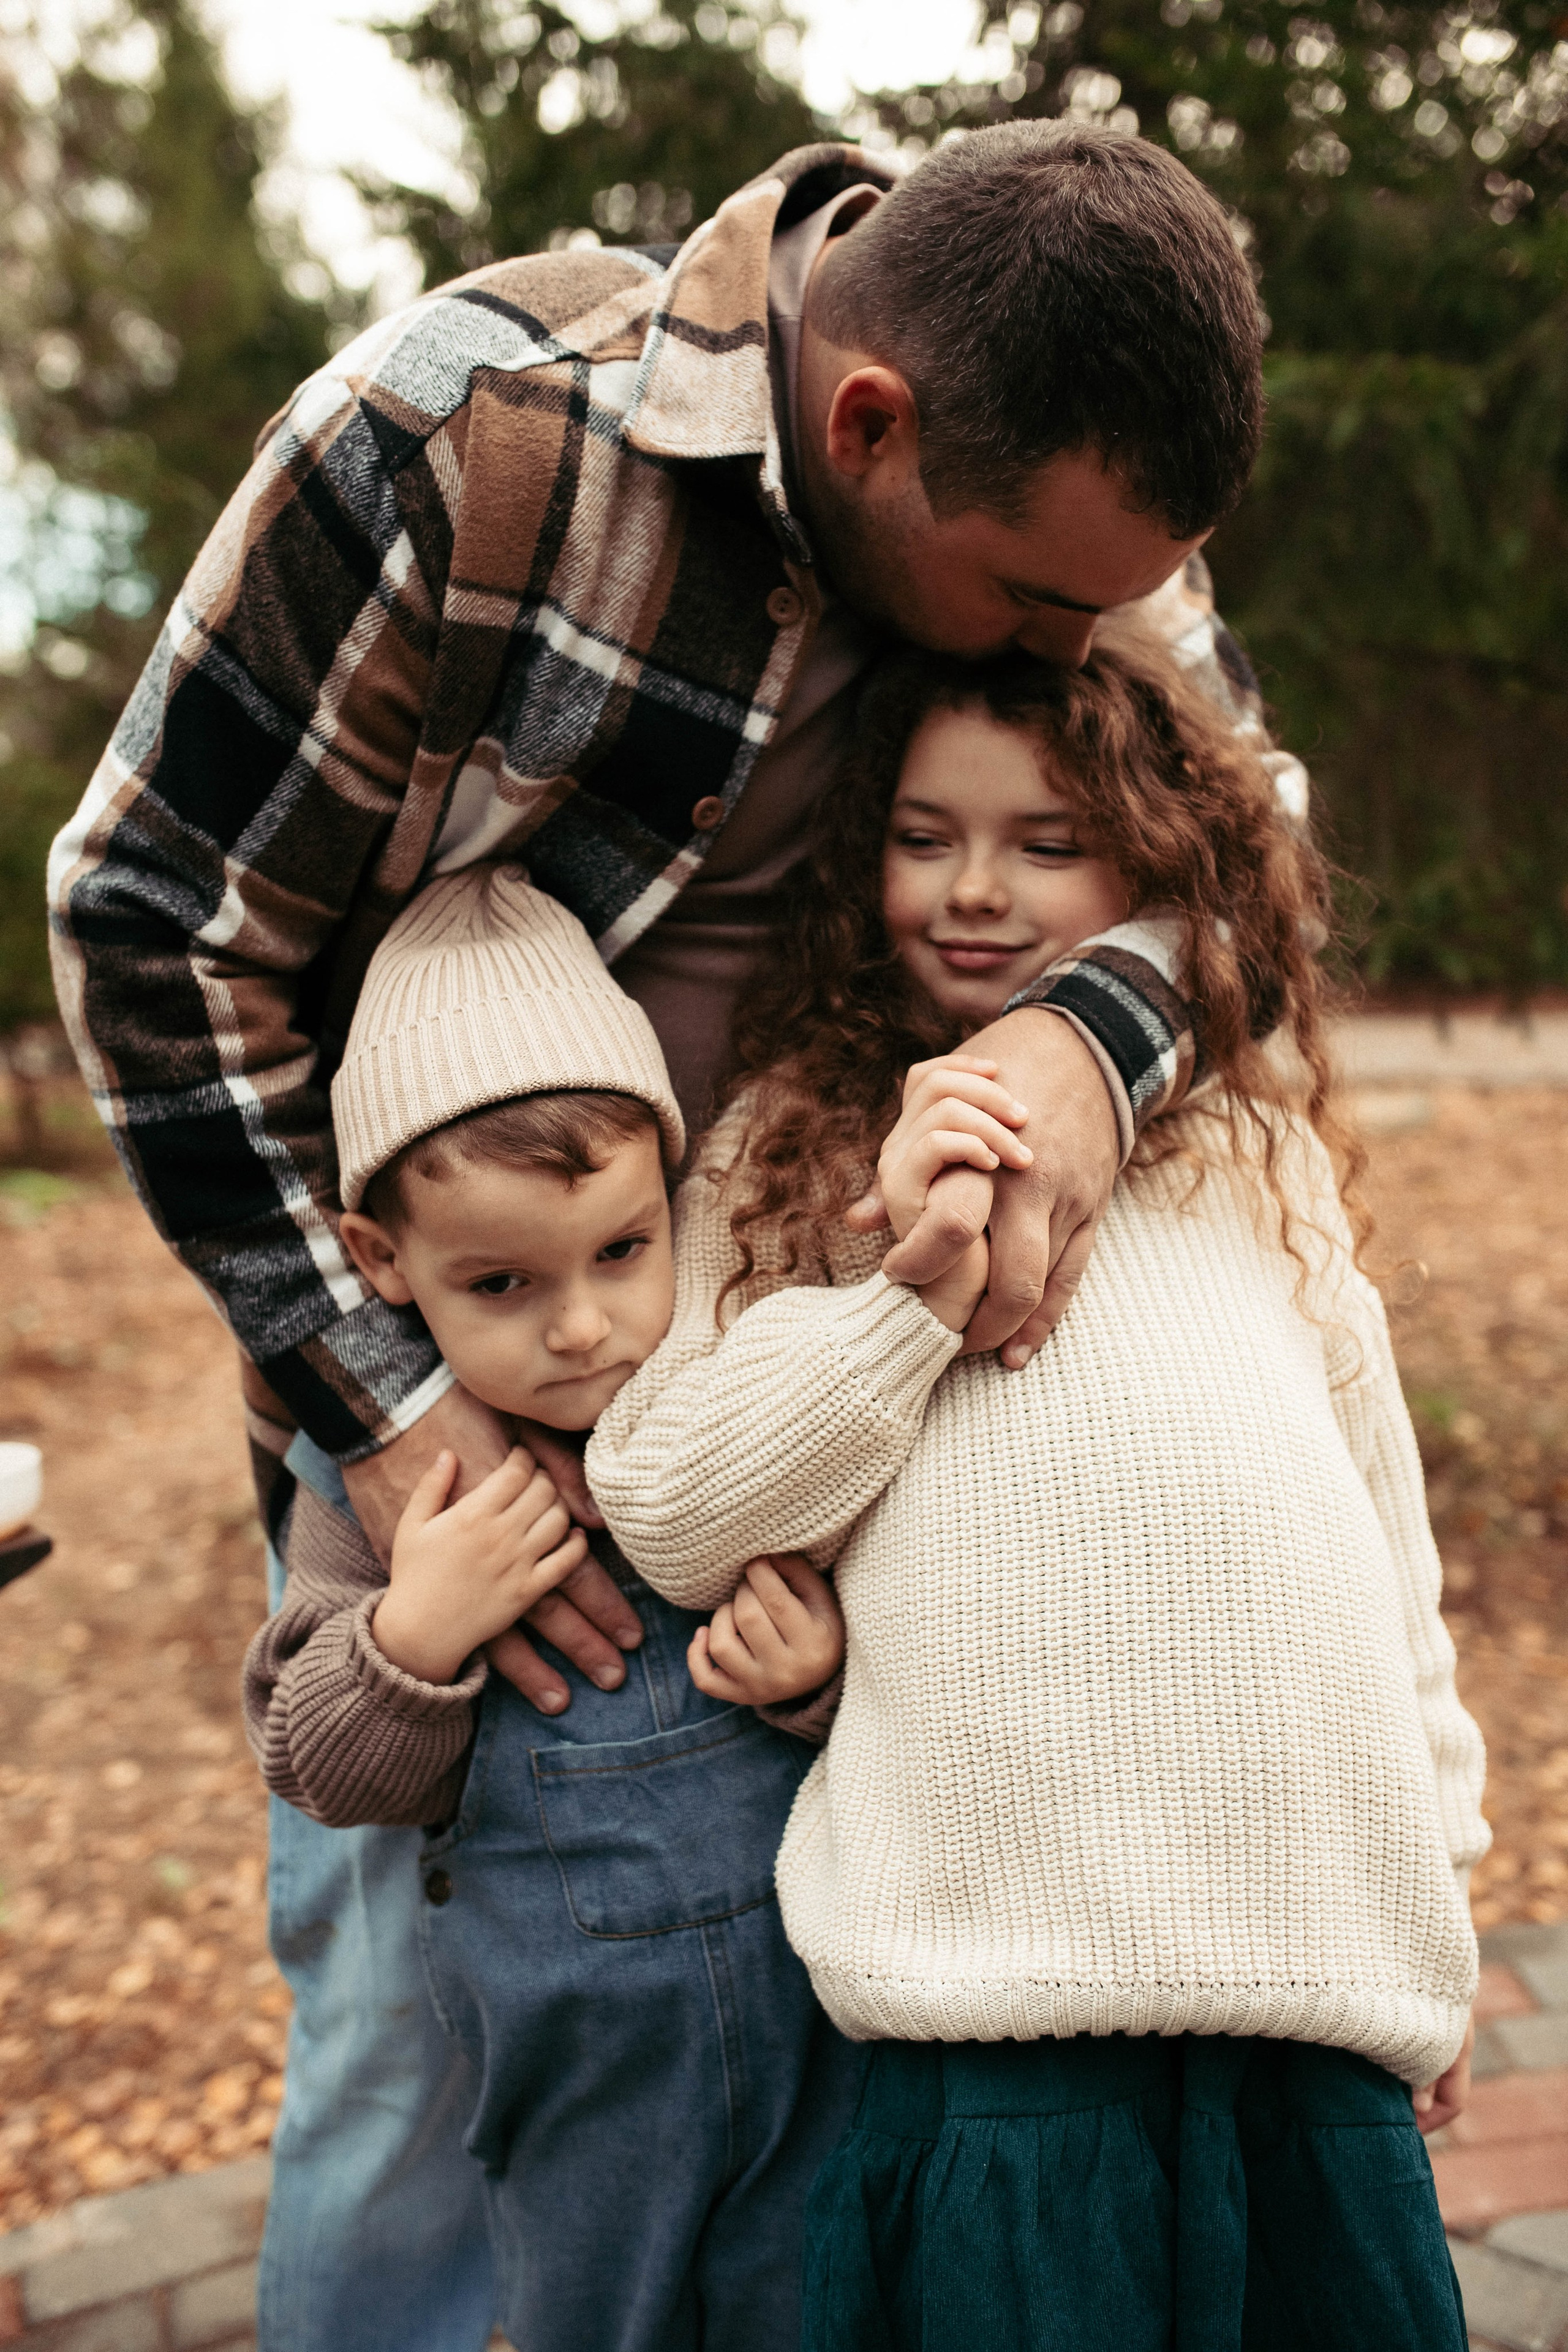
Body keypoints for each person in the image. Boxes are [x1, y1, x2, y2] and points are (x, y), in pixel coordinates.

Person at [48, 122, 1291, 2350]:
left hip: (816, 1411)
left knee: (778, 2032)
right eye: (1040, 609)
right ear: (869, 425)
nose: (1085, 648)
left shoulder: (1064, 479)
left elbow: (1246, 840)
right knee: (415, 2057)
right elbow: (154, 924)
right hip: (458, 1406)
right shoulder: (465, 444)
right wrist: (402, 1413)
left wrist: (1090, 1047)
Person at [587, 623, 1490, 2350]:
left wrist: (1436, 1893)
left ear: (1149, 871)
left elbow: (1388, 1555)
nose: (974, 890)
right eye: (924, 836)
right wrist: (913, 1295)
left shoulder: (1250, 1146)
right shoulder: (794, 1140)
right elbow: (674, 1503)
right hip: (997, 2004)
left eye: (1047, 842)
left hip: (1309, 1977)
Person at [243, 861, 859, 2350]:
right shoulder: (396, 1498)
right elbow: (319, 1767)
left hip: (820, 2035)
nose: (583, 1328)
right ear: (384, 1263)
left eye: (620, 1253)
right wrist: (415, 1635)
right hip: (574, 2083)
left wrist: (816, 1678)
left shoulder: (737, 1409)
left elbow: (911, 1672)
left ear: (671, 1203)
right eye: (503, 1284)